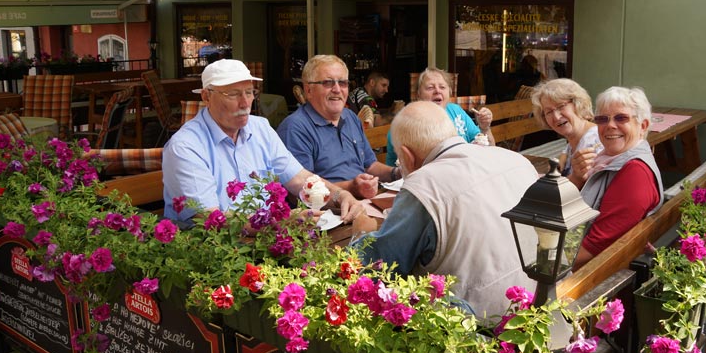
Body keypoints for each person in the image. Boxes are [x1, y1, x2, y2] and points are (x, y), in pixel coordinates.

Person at [352, 101, 538, 320]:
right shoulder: (516, 160)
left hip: (477, 328)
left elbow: (377, 268)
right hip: (535, 309)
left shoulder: (423, 186)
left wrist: (361, 233)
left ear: (407, 156)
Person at [162, 59, 363, 224]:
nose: (245, 103)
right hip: (215, 250)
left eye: (249, 92)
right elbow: (210, 218)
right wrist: (279, 221)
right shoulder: (186, 147)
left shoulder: (260, 128)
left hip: (267, 240)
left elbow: (299, 179)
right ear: (206, 96)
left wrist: (339, 196)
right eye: (233, 94)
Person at [277, 55, 399, 200]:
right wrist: (351, 188)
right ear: (308, 90)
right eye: (328, 83)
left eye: (342, 83)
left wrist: (397, 173)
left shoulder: (350, 117)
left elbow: (370, 165)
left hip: (365, 201)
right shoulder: (295, 128)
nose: (337, 89)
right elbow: (302, 191)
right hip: (329, 210)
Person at [573, 86, 664, 270]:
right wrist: (577, 176)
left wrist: (546, 268)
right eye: (602, 119)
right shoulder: (606, 159)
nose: (610, 125)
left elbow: (594, 249)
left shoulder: (635, 173)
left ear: (643, 126)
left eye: (621, 118)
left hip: (594, 275)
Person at [385, 67, 494, 166]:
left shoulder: (456, 111)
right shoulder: (406, 124)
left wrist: (485, 128)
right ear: (418, 94)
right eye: (430, 87)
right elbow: (396, 169)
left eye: (442, 87)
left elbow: (489, 148)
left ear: (449, 92)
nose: (437, 91)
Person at [530, 79, 603, 189]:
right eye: (549, 112)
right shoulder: (576, 138)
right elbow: (567, 150)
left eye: (561, 106)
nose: (556, 117)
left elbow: (576, 190)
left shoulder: (593, 145)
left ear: (578, 104)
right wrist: (561, 160)